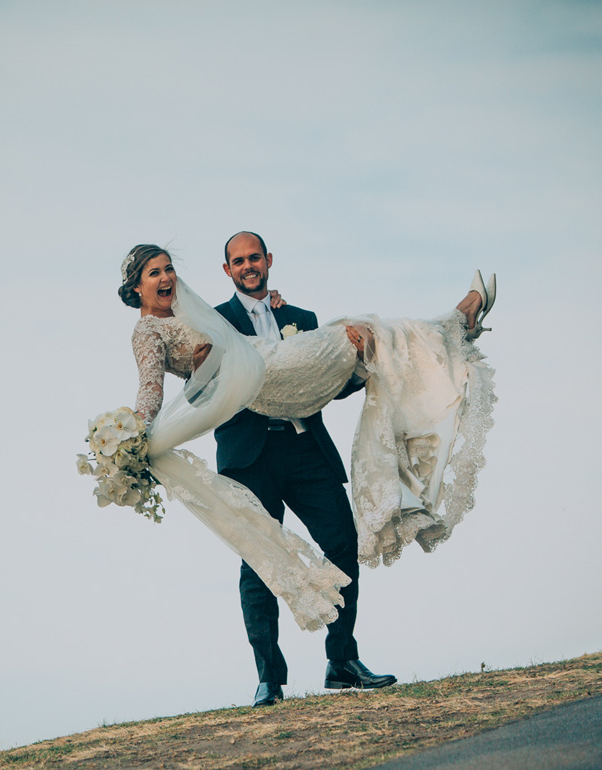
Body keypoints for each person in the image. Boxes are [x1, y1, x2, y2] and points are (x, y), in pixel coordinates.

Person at [118, 239, 495, 707]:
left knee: (341, 541)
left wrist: (357, 367)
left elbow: (326, 386)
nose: (166, 278)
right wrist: (133, 437)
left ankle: (341, 662)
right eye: (154, 273)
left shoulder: (297, 315)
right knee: (259, 558)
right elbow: (158, 390)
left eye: (168, 269)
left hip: (305, 448)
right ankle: (269, 680)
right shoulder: (206, 319)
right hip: (249, 452)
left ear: (268, 261)